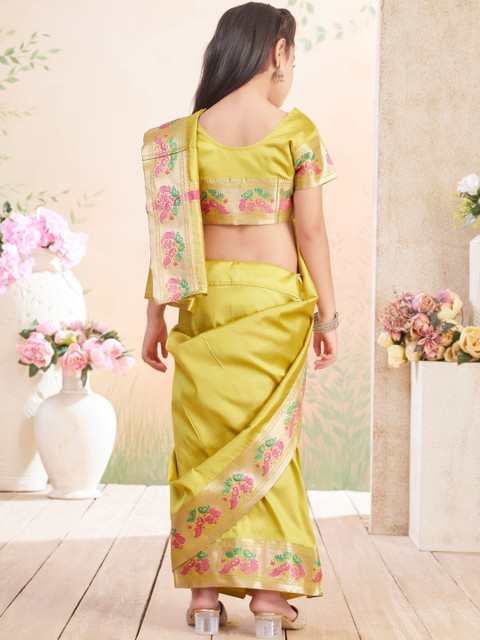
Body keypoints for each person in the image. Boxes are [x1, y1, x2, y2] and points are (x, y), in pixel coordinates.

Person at [141, 2, 339, 637]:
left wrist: (154, 317)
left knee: (202, 446)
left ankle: (204, 597)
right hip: (273, 307)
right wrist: (328, 316)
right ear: (277, 52)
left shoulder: (182, 136)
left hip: (204, 304)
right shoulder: (297, 130)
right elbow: (311, 231)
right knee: (270, 449)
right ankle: (270, 601)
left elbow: (169, 239)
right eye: (292, 56)